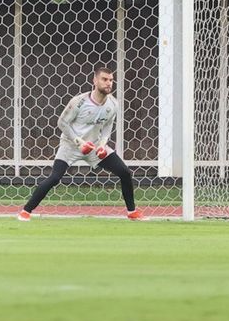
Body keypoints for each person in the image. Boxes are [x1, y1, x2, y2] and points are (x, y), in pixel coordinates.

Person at [18, 67, 144, 221]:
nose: (108, 83)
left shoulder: (113, 104)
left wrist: (103, 145)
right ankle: (26, 211)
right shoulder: (79, 101)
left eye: (111, 80)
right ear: (95, 80)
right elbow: (62, 123)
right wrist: (79, 142)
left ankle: (132, 212)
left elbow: (107, 127)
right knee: (55, 177)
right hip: (70, 145)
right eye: (104, 79)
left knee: (124, 172)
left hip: (94, 147)